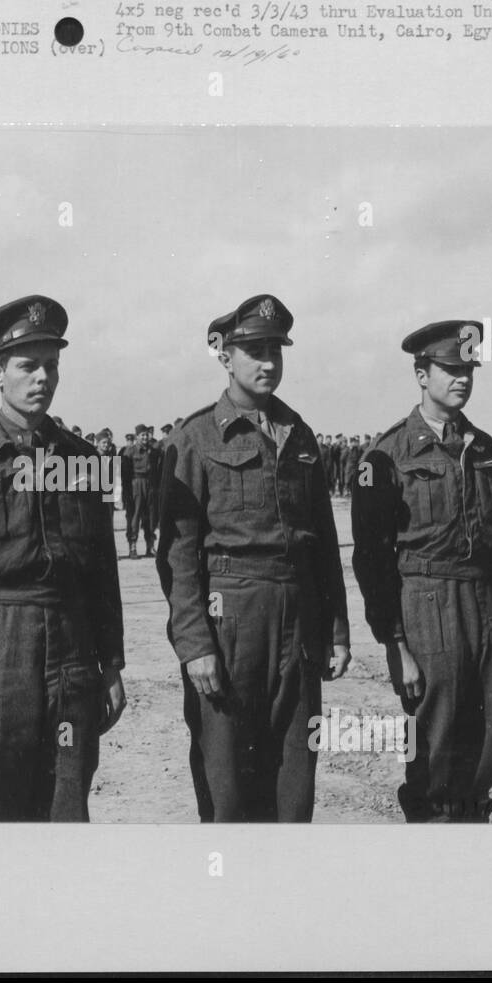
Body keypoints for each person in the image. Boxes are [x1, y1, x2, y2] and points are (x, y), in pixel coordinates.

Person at [0, 295, 127, 821]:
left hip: (73, 647)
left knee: (67, 806)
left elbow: (103, 572)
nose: (43, 378)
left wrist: (111, 666)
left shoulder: (84, 458)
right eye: (28, 366)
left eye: (52, 366)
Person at [157, 294, 350, 822]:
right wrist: (195, 644)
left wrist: (335, 629)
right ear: (225, 357)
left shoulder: (300, 435)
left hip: (298, 620)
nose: (268, 362)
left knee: (293, 785)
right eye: (254, 350)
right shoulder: (194, 439)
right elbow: (177, 557)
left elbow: (323, 544)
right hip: (230, 622)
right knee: (229, 790)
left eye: (275, 350)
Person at [351, 320, 492, 823]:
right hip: (427, 609)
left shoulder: (488, 449)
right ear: (421, 374)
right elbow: (372, 559)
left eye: (468, 368)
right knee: (435, 749)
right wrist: (395, 644)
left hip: (486, 610)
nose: (462, 378)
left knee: (486, 746)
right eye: (450, 369)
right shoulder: (385, 455)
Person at [122, 424, 160, 558]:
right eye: (142, 435)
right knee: (135, 516)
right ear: (137, 437)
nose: (145, 437)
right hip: (136, 484)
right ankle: (133, 547)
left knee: (151, 516)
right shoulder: (130, 451)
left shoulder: (154, 451)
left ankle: (150, 546)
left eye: (146, 435)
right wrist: (126, 493)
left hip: (150, 485)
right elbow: (125, 474)